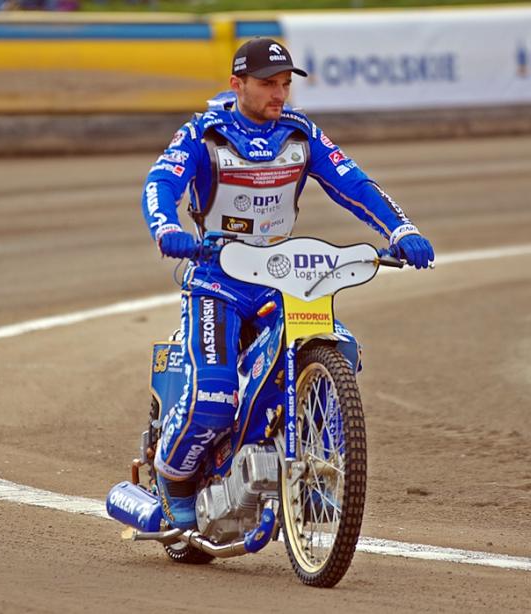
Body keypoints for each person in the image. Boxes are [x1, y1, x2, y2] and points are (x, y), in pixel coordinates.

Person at [140, 37, 434, 530]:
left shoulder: (301, 134)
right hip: (216, 279)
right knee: (213, 396)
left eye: (283, 84)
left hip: (280, 280)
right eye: (267, 84)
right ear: (237, 84)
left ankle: (313, 473)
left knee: (340, 349)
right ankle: (173, 478)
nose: (279, 94)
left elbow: (354, 184)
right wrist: (166, 227)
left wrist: (400, 229)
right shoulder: (203, 133)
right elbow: (160, 183)